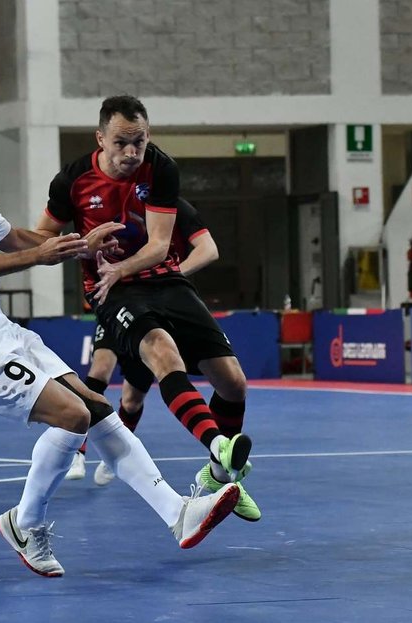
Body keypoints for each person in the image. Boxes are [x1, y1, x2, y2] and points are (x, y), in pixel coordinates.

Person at [0, 110, 239, 577]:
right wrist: (37, 255)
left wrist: (78, 245)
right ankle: (26, 522)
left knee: (97, 408)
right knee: (73, 416)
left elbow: (16, 236)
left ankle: (178, 513)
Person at [34, 95, 259, 521]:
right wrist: (84, 247)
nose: (131, 153)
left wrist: (120, 267)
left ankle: (216, 476)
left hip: (162, 280)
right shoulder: (72, 180)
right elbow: (41, 237)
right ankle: (218, 449)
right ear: (100, 138)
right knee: (157, 356)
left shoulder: (161, 169)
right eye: (121, 142)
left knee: (233, 384)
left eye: (139, 142)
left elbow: (159, 247)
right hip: (109, 292)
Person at [65, 198, 230, 487]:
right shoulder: (110, 203)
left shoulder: (174, 205)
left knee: (132, 399)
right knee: (100, 369)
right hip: (118, 303)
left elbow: (209, 249)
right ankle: (78, 450)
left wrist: (169, 275)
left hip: (159, 305)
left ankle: (113, 455)